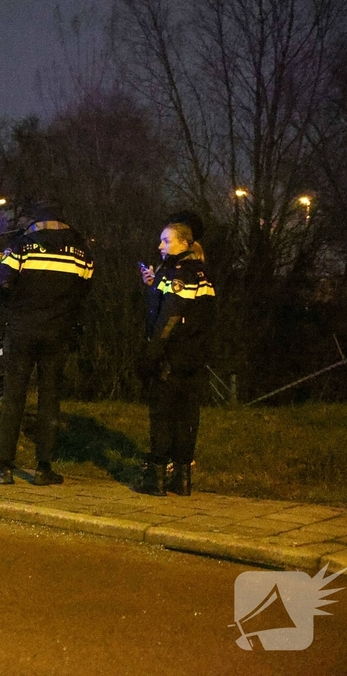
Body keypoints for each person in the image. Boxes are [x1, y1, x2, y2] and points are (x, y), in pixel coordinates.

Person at [0, 201, 94, 486]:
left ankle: (5, 467)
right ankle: (43, 468)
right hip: (58, 334)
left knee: (14, 398)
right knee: (50, 401)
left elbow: (1, 283)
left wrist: (12, 313)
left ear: (37, 224)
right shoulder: (82, 254)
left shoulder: (21, 247)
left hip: (22, 331)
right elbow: (84, 292)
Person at [134, 211, 216, 496]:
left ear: (184, 243)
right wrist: (153, 285)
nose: (160, 247)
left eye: (166, 241)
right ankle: (182, 480)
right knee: (187, 417)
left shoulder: (178, 274)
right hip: (195, 358)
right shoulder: (202, 273)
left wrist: (150, 356)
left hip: (171, 357)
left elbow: (168, 319)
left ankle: (155, 478)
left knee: (162, 416)